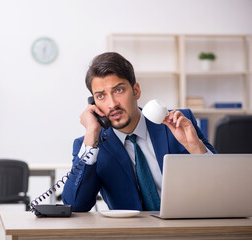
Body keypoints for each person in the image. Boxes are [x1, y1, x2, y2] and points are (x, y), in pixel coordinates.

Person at [62, 52, 216, 212]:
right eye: (101, 96)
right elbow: (75, 205)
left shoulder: (178, 124)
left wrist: (195, 148)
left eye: (119, 90)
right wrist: (91, 136)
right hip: (133, 234)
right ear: (93, 103)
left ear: (136, 91)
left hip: (186, 228)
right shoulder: (90, 145)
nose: (112, 104)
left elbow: (221, 184)